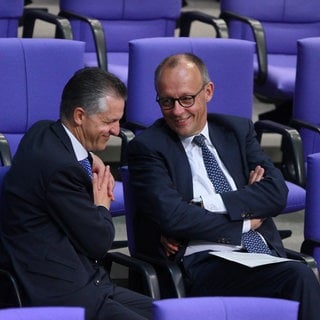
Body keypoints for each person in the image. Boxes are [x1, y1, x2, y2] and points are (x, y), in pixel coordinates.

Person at [127, 53, 320, 320]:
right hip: (205, 260)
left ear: (208, 91)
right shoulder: (148, 147)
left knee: (300, 275)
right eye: (166, 101)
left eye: (186, 99)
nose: (177, 111)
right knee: (298, 277)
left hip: (262, 253)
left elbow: (276, 193)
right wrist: (245, 219)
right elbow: (173, 217)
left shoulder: (237, 131)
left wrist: (204, 205)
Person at [0, 67, 152, 320]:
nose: (116, 131)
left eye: (118, 121)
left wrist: (87, 156)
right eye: (108, 121)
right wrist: (102, 204)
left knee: (170, 313)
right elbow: (99, 243)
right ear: (80, 115)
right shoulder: (60, 169)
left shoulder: (42, 131)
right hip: (64, 295)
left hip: (91, 281)